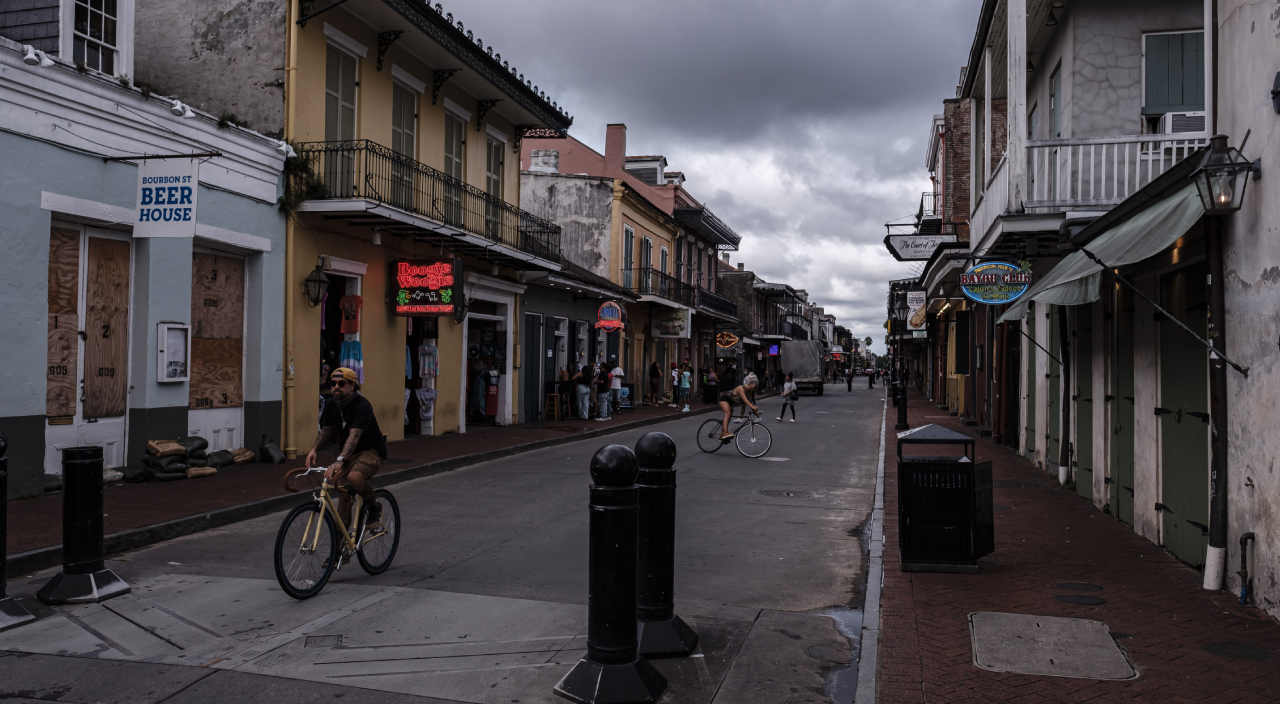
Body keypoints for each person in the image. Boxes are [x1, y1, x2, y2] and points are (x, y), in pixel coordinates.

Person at [305, 367, 387, 538]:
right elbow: (326, 431)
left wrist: (340, 459)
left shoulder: (362, 406)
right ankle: (340, 548)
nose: (336, 386)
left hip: (371, 451)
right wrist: (314, 450)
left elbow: (354, 436)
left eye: (341, 383)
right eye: (333, 383)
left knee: (355, 477)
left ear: (352, 386)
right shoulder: (331, 404)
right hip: (348, 454)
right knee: (343, 497)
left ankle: (374, 508)